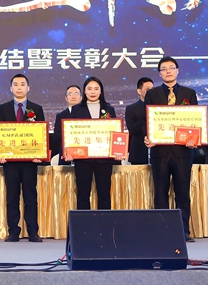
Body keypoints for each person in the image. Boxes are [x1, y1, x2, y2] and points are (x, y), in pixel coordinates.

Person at [144, 56, 197, 243]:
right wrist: (149, 137)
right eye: (164, 69)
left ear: (177, 70)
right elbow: (147, 119)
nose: (168, 71)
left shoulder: (189, 93)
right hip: (160, 151)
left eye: (171, 68)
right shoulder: (153, 93)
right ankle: (162, 231)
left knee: (182, 193)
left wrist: (193, 139)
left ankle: (183, 231)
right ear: (159, 73)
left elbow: (195, 119)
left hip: (183, 152)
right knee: (160, 193)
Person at [0, 74, 45, 243]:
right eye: (15, 84)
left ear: (28, 88)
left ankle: (33, 231)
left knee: (31, 197)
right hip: (10, 162)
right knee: (12, 197)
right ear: (11, 88)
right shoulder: (3, 108)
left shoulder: (36, 108)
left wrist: (39, 154)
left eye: (22, 84)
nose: (19, 87)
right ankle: (13, 231)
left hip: (30, 162)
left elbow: (41, 134)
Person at [64, 77, 117, 210]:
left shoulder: (109, 109)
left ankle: (104, 222)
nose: (93, 92)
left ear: (101, 91)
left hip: (104, 159)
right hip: (83, 159)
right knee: (83, 195)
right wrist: (69, 152)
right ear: (85, 91)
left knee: (104, 194)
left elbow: (115, 133)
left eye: (96, 89)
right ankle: (84, 223)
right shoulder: (76, 109)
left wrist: (117, 151)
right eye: (89, 89)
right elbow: (71, 133)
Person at [124, 77, 154, 165]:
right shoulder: (131, 108)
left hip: (158, 153)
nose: (151, 92)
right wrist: (147, 116)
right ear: (139, 91)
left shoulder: (159, 107)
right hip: (138, 152)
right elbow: (132, 129)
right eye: (147, 89)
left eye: (152, 89)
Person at [52, 85, 82, 165]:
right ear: (66, 98)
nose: (73, 96)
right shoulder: (60, 115)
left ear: (81, 97)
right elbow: (56, 136)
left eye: (76, 94)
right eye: (70, 94)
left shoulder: (86, 115)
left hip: (83, 153)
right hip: (65, 152)